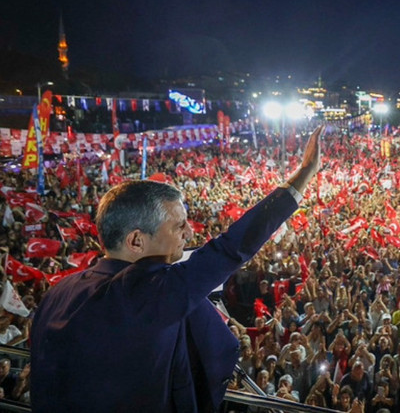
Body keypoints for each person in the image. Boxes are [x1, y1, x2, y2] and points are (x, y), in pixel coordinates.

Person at [30, 126, 324, 412]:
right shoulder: (146, 293)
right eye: (179, 226)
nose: (189, 234)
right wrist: (304, 175)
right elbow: (231, 248)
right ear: (136, 240)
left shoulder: (58, 292)